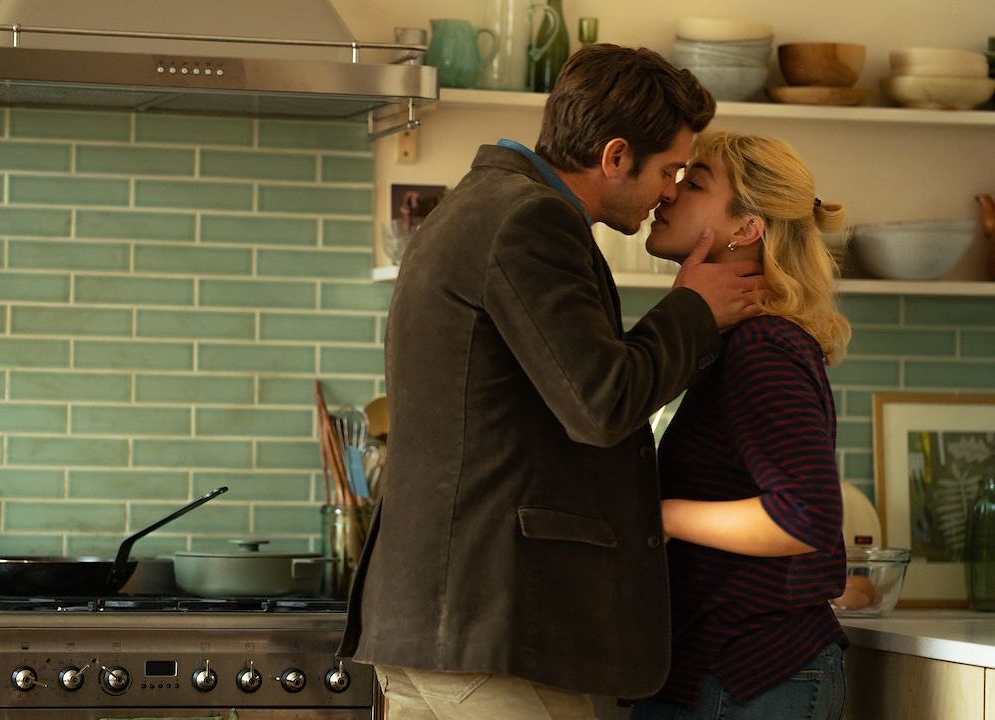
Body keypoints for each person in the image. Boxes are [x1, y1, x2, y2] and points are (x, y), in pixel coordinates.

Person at [338, 45, 768, 719]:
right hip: (488, 626)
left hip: (435, 623)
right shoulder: (529, 219)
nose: (669, 191)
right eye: (669, 170)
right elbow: (601, 403)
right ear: (616, 156)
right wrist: (692, 308)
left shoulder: (478, 204)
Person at [632, 130, 852, 720]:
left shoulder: (763, 347)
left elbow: (803, 514)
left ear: (747, 228)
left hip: (750, 678)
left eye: (695, 184)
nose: (668, 193)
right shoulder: (732, 343)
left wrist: (662, 517)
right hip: (723, 674)